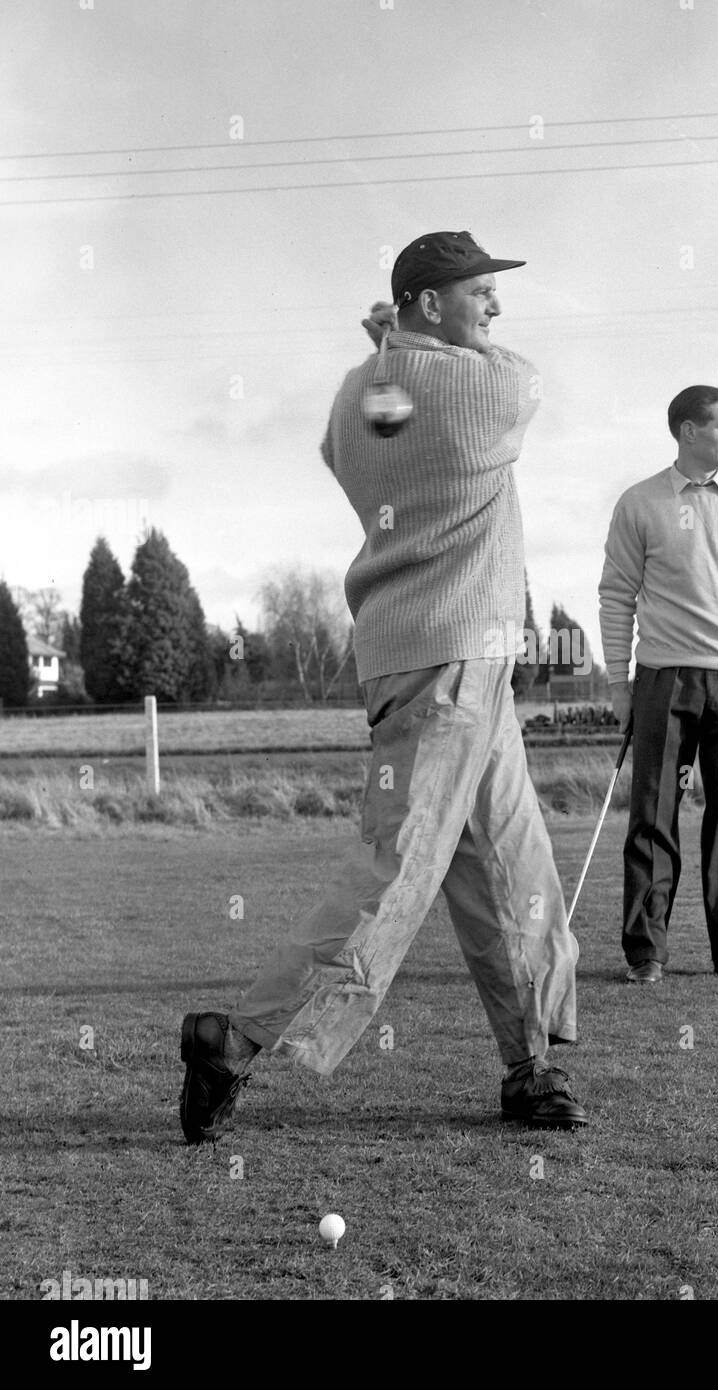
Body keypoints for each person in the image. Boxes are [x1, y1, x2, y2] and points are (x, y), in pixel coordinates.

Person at [180, 231, 586, 1142]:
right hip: (448, 660)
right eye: (479, 293)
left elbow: (342, 447)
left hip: (449, 658)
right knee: (397, 870)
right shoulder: (465, 383)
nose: (495, 310)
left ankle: (529, 1066)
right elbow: (523, 385)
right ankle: (231, 1041)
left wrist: (389, 351)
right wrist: (409, 351)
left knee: (513, 867)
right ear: (429, 301)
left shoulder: (361, 392)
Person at [598, 384, 718, 985]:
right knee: (653, 816)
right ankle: (647, 953)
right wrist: (619, 684)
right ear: (687, 431)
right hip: (664, 679)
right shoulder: (639, 502)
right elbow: (616, 595)